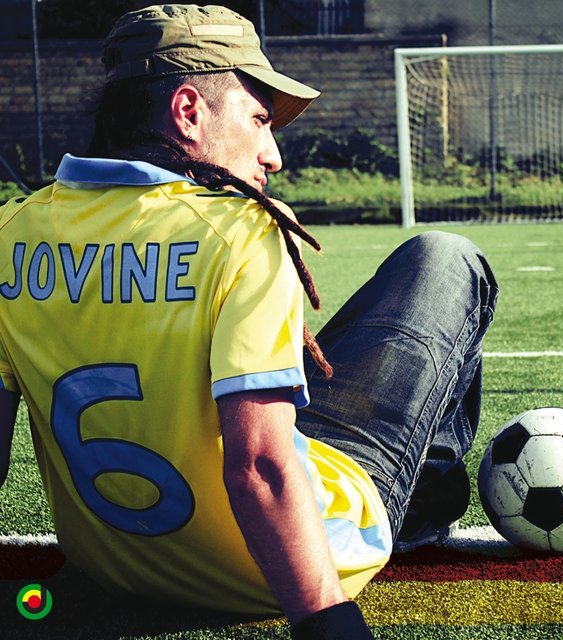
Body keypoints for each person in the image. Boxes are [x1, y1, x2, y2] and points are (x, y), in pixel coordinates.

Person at [0, 4, 498, 638]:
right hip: (279, 564)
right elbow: (260, 467)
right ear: (188, 111)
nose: (273, 155)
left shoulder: (11, 231)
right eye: (260, 120)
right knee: (445, 259)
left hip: (118, 571)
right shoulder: (239, 232)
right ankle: (421, 506)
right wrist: (327, 622)